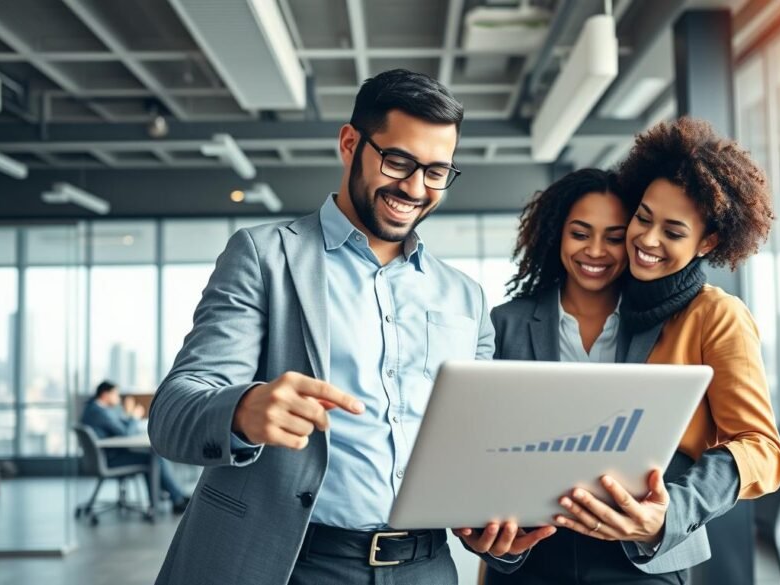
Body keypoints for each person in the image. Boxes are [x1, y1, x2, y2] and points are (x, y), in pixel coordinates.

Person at [147, 69, 552, 585]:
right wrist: (244, 410)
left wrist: (489, 521)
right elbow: (173, 411)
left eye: (436, 171)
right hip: (296, 564)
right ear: (349, 143)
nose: (414, 187)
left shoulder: (465, 296)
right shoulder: (265, 256)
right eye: (398, 161)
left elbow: (476, 446)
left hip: (425, 567)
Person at [492, 117, 780, 584]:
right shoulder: (524, 318)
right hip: (536, 554)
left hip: (642, 557)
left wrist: (670, 513)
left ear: (707, 241)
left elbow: (761, 449)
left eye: (673, 232)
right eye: (643, 219)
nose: (646, 241)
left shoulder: (712, 315)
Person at [486, 168, 637, 582]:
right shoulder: (505, 324)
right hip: (532, 547)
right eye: (580, 233)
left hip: (631, 551)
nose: (596, 250)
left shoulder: (661, 326)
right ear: (557, 236)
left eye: (614, 236)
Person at [80, 381, 188, 513]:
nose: (118, 398)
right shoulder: (99, 412)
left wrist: (129, 415)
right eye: (115, 394)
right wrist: (134, 416)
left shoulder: (95, 409)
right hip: (110, 460)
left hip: (105, 457)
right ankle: (172, 499)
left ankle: (170, 497)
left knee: (151, 456)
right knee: (153, 457)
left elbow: (119, 425)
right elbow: (125, 432)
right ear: (105, 394)